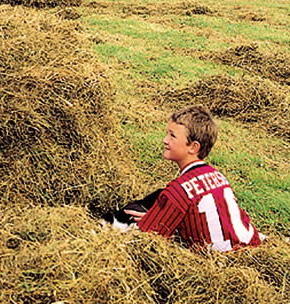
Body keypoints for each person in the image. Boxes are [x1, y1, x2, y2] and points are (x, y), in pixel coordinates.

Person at [111, 105, 263, 252]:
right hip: (248, 248)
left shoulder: (178, 191)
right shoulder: (219, 177)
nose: (165, 140)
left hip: (215, 263)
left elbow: (145, 239)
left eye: (172, 136)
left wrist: (152, 220)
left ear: (193, 147)